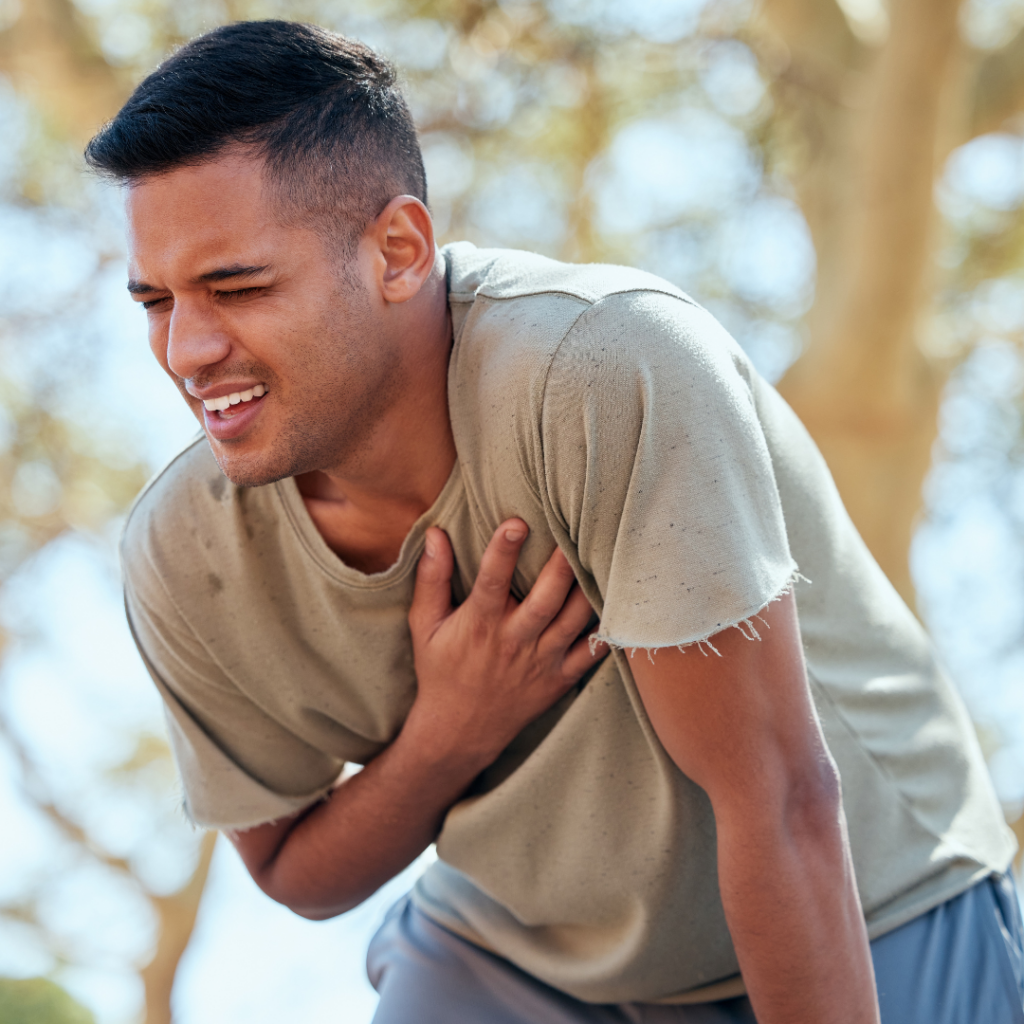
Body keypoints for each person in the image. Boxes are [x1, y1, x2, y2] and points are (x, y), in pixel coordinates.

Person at [86, 19, 1023, 1024]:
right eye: (154, 300)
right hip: (524, 950)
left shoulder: (603, 368)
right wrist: (445, 735)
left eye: (238, 287)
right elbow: (291, 869)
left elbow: (782, 799)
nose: (186, 349)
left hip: (869, 898)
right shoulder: (183, 552)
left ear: (398, 251)